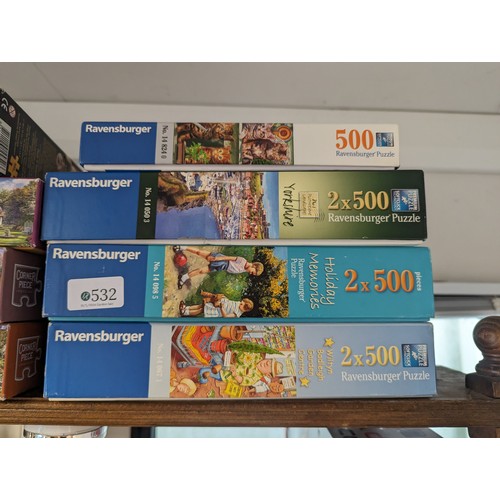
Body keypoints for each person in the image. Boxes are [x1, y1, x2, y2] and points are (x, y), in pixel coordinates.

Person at [175, 246, 264, 289]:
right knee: (199, 252)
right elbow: (229, 258)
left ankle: (184, 277)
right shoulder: (243, 261)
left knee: (201, 271)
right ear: (254, 265)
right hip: (222, 261)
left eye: (252, 274)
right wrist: (217, 258)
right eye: (253, 272)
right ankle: (182, 247)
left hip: (222, 267)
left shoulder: (245, 269)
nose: (251, 273)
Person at [179, 292, 254, 318]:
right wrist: (225, 298)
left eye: (241, 305)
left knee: (201, 310)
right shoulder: (239, 304)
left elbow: (225, 316)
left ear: (245, 309)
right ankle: (185, 307)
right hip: (218, 303)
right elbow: (230, 302)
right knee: (201, 305)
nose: (240, 304)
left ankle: (185, 312)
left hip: (217, 310)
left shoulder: (237, 313)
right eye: (241, 303)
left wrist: (221, 308)